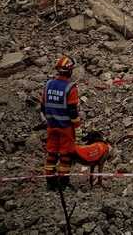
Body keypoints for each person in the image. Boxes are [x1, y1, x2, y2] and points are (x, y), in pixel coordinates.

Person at [41, 56, 82, 191]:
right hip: (66, 128)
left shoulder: (48, 85)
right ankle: (63, 184)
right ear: (70, 70)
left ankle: (50, 183)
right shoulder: (70, 88)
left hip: (52, 127)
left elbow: (43, 106)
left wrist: (51, 119)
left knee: (51, 154)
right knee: (65, 156)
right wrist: (77, 127)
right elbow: (72, 111)